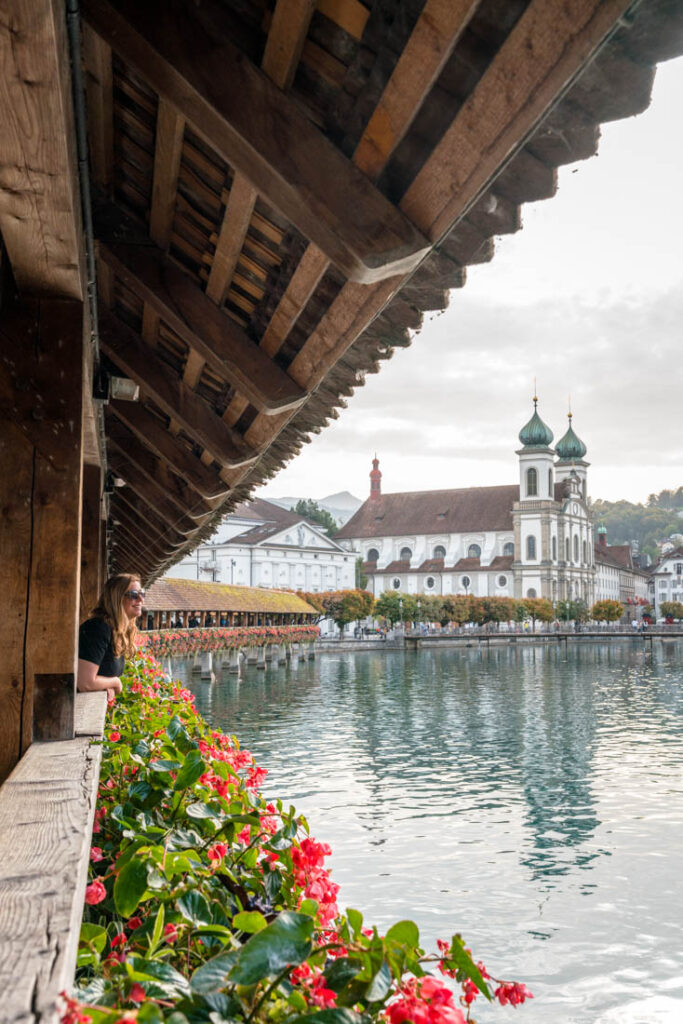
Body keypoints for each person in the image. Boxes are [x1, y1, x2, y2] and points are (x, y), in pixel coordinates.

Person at [77, 573, 144, 700]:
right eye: (134, 595)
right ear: (117, 598)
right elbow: (85, 682)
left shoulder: (115, 630)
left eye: (142, 594)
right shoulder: (97, 628)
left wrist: (103, 683)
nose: (141, 599)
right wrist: (116, 682)